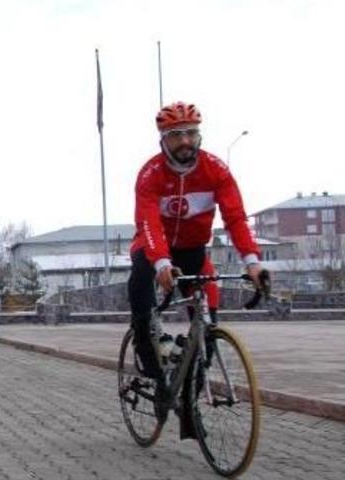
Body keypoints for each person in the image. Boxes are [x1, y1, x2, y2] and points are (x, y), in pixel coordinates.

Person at [128, 101, 263, 438]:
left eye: (191, 133)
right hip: (152, 249)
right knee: (141, 299)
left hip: (193, 252)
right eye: (176, 135)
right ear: (163, 139)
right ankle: (156, 378)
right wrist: (160, 261)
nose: (185, 141)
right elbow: (148, 221)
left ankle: (189, 395)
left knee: (208, 325)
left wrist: (252, 261)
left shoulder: (216, 170)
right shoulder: (151, 174)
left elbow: (235, 218)